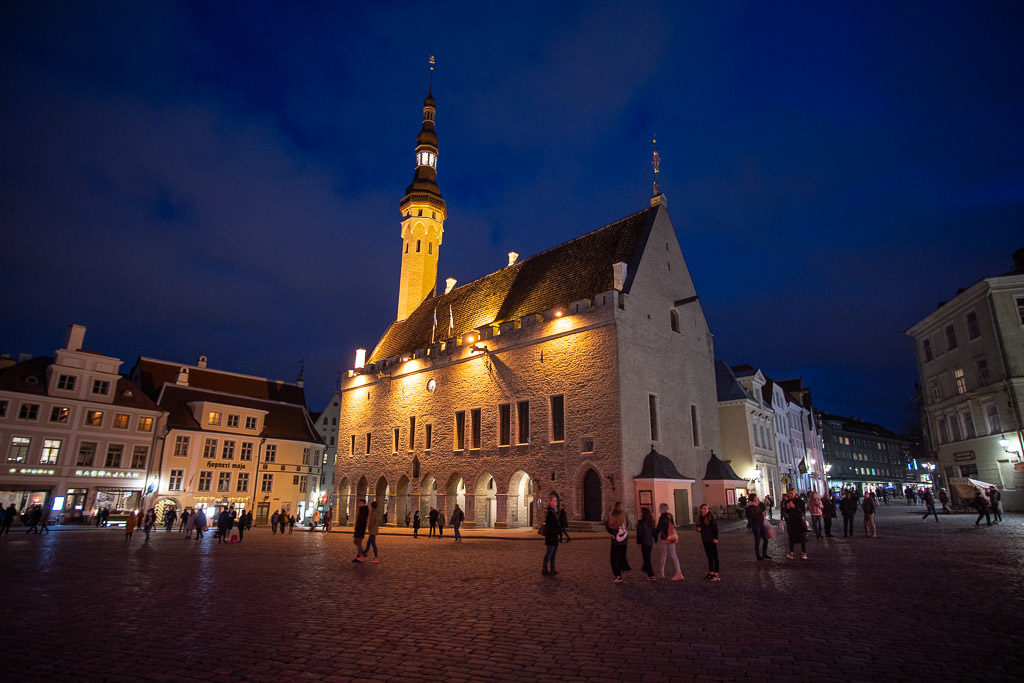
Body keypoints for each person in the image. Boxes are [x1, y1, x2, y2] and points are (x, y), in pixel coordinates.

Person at [655, 503, 683, 580]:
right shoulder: (670, 516)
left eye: (659, 508)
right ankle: (678, 571)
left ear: (662, 509)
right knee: (674, 555)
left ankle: (661, 572)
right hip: (671, 537)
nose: (658, 509)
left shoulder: (661, 518)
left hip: (664, 538)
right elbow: (673, 525)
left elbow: (658, 529)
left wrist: (654, 535)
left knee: (663, 555)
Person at [605, 502, 630, 583]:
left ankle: (618, 576)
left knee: (614, 558)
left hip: (615, 540)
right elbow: (628, 525)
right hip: (624, 540)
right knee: (622, 556)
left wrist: (613, 533)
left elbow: (607, 527)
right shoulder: (624, 515)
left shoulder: (612, 516)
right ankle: (625, 569)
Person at [696, 503, 720, 582]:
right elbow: (698, 526)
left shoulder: (710, 517)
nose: (706, 510)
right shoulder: (700, 518)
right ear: (701, 509)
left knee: (715, 556)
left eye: (707, 508)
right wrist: (698, 529)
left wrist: (715, 538)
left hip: (711, 539)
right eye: (704, 508)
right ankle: (711, 572)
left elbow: (715, 528)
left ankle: (716, 574)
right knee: (709, 556)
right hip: (705, 539)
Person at [783, 492, 807, 559]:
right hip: (791, 522)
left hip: (799, 522)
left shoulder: (799, 501)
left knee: (802, 538)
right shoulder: (787, 501)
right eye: (789, 494)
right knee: (791, 538)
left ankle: (804, 553)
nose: (790, 495)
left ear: (794, 494)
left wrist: (794, 507)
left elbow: (802, 511)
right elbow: (785, 511)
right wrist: (787, 508)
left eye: (791, 494)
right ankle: (791, 553)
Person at [541, 494, 561, 576]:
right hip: (551, 537)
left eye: (556, 500)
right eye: (554, 500)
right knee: (549, 553)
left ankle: (552, 569)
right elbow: (550, 525)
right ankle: (544, 569)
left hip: (554, 536)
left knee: (553, 554)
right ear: (550, 502)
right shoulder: (550, 512)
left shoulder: (555, 511)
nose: (556, 502)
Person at [746, 493, 770, 561]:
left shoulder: (759, 504)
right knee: (757, 540)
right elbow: (752, 515)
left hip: (761, 523)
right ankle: (758, 556)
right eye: (755, 497)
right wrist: (761, 512)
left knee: (765, 538)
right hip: (755, 524)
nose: (757, 498)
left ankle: (764, 553)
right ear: (753, 498)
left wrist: (762, 509)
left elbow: (763, 508)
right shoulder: (750, 506)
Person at [636, 507, 656, 581]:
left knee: (646, 559)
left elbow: (639, 533)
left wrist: (638, 541)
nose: (639, 513)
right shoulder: (651, 521)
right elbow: (654, 531)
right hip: (650, 542)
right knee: (647, 556)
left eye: (640, 512)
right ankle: (644, 568)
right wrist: (655, 538)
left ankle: (651, 575)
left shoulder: (641, 522)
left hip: (644, 542)